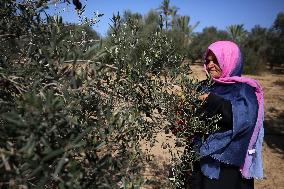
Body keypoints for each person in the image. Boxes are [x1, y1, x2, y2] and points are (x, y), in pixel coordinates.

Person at [186, 41, 264, 189]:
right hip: (199, 159)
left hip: (228, 167)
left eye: (215, 60)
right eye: (207, 61)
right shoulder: (202, 86)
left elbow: (245, 120)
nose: (210, 65)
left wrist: (212, 101)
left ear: (230, 60)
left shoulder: (243, 90)